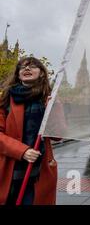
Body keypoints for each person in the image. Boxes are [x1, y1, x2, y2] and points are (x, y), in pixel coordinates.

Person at [0, 57, 58, 205]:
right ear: (18, 74)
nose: (27, 68)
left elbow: (57, 135)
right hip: (10, 168)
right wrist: (23, 151)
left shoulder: (48, 100)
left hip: (39, 171)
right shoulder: (5, 99)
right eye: (23, 67)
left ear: (42, 73)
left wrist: (54, 108)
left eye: (32, 66)